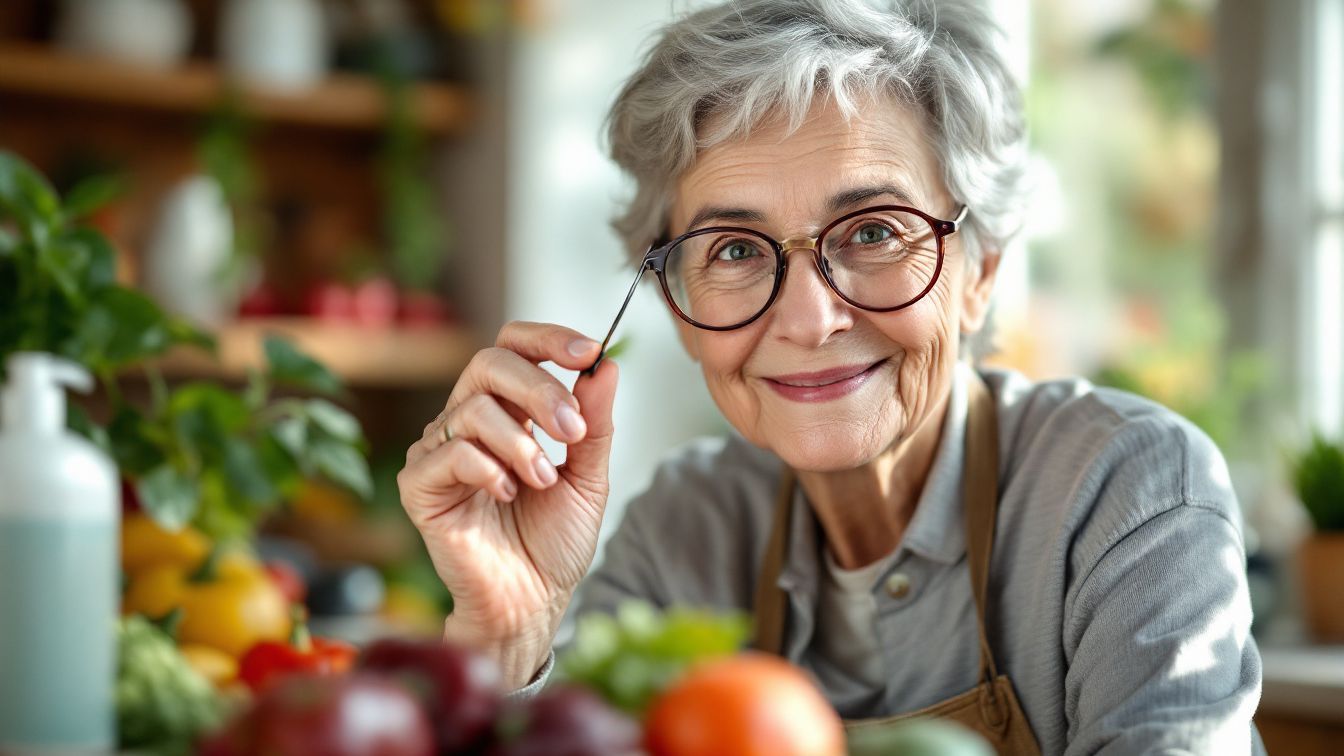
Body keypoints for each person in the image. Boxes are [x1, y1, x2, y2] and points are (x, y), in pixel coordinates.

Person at [396, 1, 1264, 752]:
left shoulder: (1131, 494)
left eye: (875, 231)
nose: (810, 321)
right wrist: (509, 637)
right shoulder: (685, 533)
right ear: (675, 305)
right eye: (734, 249)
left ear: (983, 271)